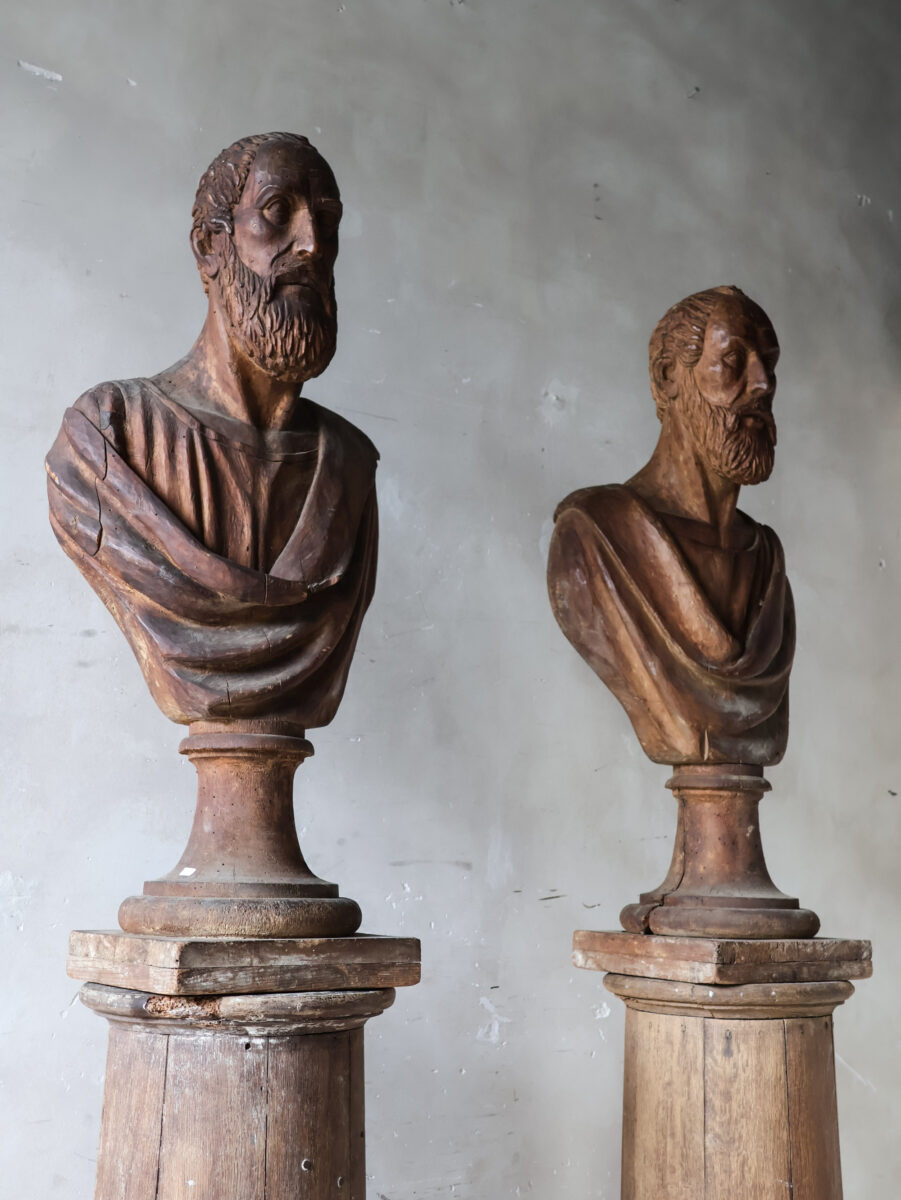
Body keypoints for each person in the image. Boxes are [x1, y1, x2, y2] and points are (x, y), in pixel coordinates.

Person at [46, 133, 378, 730]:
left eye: (326, 222)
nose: (311, 244)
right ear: (209, 246)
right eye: (277, 212)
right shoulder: (109, 439)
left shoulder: (347, 466)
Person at [547, 285, 794, 766]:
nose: (762, 383)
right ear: (668, 377)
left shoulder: (766, 559)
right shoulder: (596, 537)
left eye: (769, 364)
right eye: (733, 360)